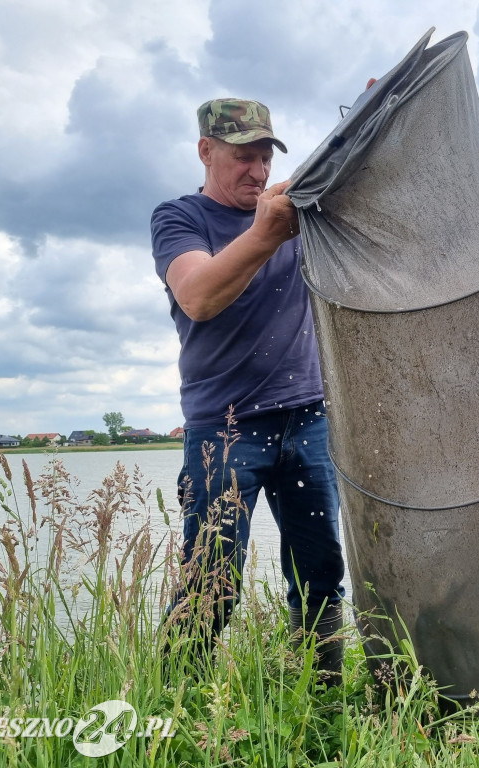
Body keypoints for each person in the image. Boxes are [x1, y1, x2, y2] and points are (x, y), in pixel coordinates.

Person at [150, 98, 345, 679]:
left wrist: (379, 109)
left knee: (320, 572)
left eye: (264, 158)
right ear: (206, 151)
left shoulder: (293, 209)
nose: (257, 172)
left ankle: (324, 692)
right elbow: (198, 296)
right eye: (242, 157)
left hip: (309, 420)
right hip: (226, 429)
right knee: (214, 576)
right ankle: (177, 702)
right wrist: (265, 233)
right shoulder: (180, 218)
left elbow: (351, 168)